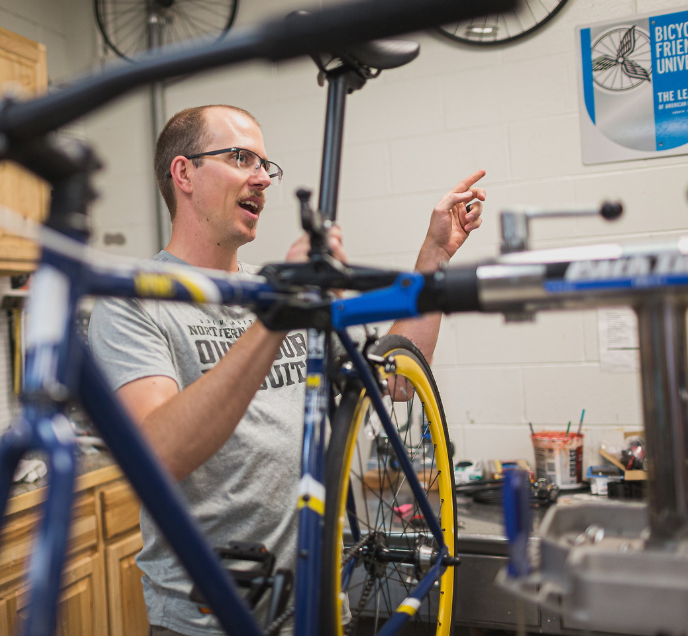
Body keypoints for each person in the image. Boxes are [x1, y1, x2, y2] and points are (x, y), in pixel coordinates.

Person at [87, 104, 485, 636]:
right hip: (207, 621)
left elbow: (395, 380)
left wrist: (435, 254)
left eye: (265, 165)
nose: (262, 178)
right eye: (240, 158)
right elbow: (159, 456)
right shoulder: (135, 300)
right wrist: (279, 314)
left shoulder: (278, 289)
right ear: (184, 173)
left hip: (319, 609)